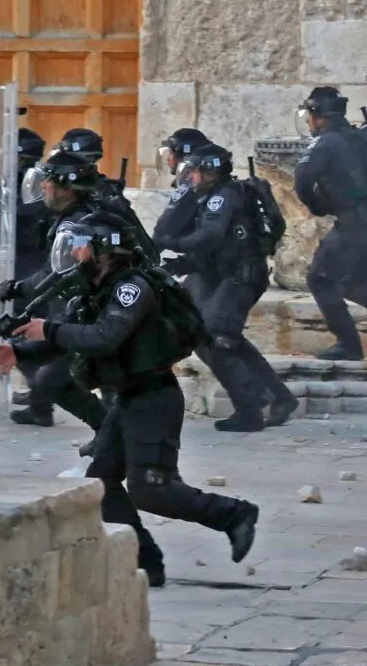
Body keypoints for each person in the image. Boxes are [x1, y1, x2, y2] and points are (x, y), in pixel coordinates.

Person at [0, 211, 259, 587]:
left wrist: (47, 329)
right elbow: (70, 338)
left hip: (153, 400)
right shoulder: (96, 287)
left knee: (152, 490)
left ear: (105, 249)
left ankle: (234, 514)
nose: (75, 254)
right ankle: (145, 563)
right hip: (128, 400)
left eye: (81, 246)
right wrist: (21, 352)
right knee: (102, 482)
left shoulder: (131, 287)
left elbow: (103, 337)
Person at [156, 143, 298, 431]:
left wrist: (172, 244)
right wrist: (181, 262)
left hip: (241, 276)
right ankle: (276, 397)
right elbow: (215, 247)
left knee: (217, 334)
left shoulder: (226, 195)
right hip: (224, 273)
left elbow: (209, 236)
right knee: (215, 336)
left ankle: (250, 410)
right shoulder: (206, 196)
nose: (191, 177)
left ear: (211, 172)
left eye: (196, 171)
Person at [0, 151, 109, 432]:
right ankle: (111, 435)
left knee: (54, 377)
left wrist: (19, 287)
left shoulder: (79, 224)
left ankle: (112, 436)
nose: (43, 187)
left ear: (67, 187)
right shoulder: (73, 217)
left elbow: (57, 271)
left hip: (95, 316)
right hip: (81, 311)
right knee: (54, 377)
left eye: (49, 181)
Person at [0, 127, 51, 408]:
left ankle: (42, 396)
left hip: (31, 268)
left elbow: (1, 208)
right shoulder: (22, 184)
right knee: (22, 330)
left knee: (20, 330)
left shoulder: (32, 186)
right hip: (26, 266)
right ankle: (41, 394)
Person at [295, 86, 367, 361]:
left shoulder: (325, 142)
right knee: (354, 282)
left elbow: (302, 181)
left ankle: (348, 345)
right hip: (361, 223)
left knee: (320, 279)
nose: (309, 123)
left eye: (310, 116)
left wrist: (317, 205)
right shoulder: (358, 136)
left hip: (352, 225)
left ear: (320, 116)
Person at [153, 128, 210, 254]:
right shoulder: (212, 183)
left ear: (184, 155)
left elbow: (163, 231)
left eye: (171, 152)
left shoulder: (192, 187)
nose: (168, 159)